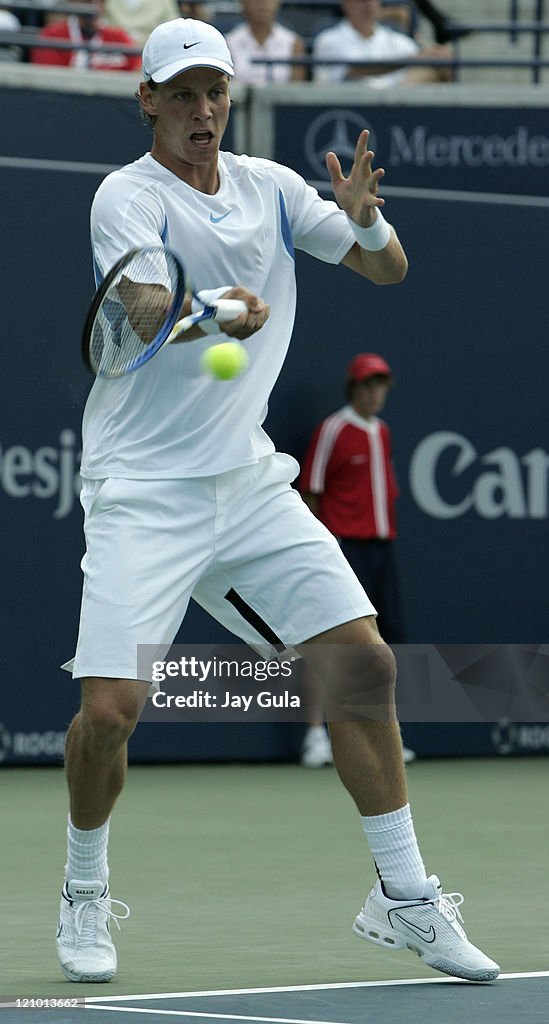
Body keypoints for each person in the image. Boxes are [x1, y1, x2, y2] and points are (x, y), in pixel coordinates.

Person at [56, 15, 499, 987]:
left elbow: (387, 267)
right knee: (113, 709)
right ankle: (85, 883)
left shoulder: (275, 189)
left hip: (249, 485)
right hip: (142, 489)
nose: (202, 109)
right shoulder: (122, 196)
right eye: (181, 95)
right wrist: (215, 311)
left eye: (214, 91)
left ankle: (404, 893)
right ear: (148, 104)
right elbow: (136, 310)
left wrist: (371, 219)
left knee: (362, 667)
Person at [299, 352, 415, 768]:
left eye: (380, 384)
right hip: (343, 547)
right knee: (326, 643)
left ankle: (381, 737)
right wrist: (319, 550)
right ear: (353, 387)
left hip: (381, 548)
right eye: (367, 383)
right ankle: (316, 736)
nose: (374, 391)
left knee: (379, 646)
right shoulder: (333, 429)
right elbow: (310, 492)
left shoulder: (381, 431)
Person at [312, 0, 452, 87]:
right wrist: (417, 58)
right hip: (348, 110)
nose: (368, 3)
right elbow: (357, 70)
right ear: (345, 4)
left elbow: (430, 60)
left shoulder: (397, 40)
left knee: (440, 65)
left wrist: (435, 54)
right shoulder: (328, 39)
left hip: (397, 115)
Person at [30, 0, 141, 71]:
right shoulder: (52, 35)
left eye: (99, 2)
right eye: (86, 1)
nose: (93, 7)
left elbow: (136, 71)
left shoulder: (118, 37)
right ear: (74, 2)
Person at [226, 0, 306, 84]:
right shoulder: (229, 43)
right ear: (243, 4)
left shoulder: (294, 43)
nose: (263, 3)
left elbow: (297, 91)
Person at [104, 0, 180, 44]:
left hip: (152, 48)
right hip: (117, 49)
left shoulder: (165, 2)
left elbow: (172, 25)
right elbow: (106, 22)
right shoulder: (111, 2)